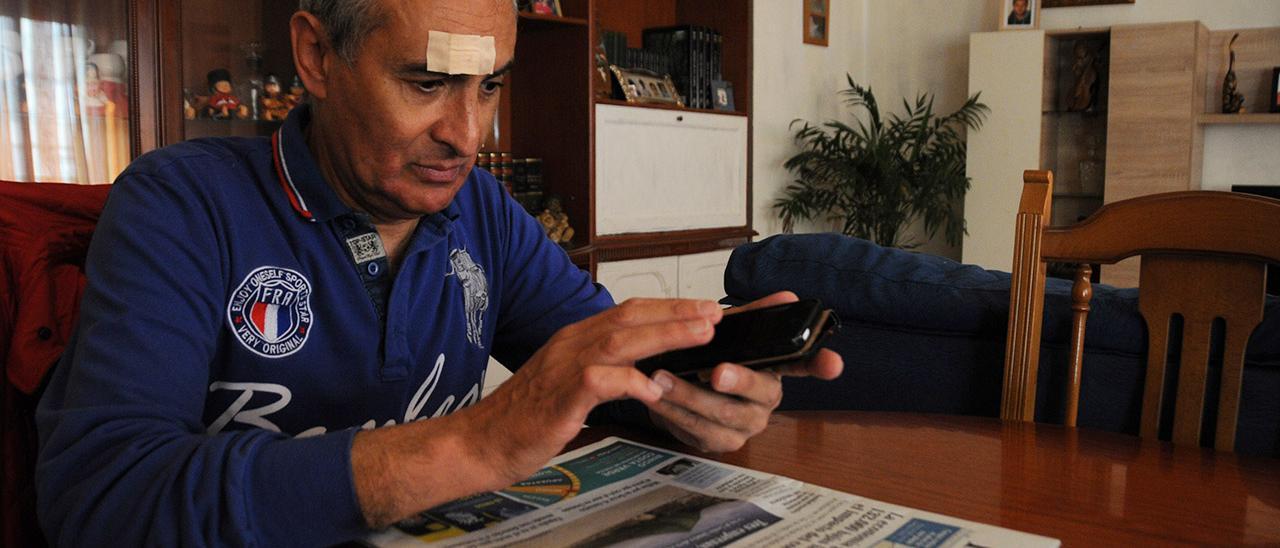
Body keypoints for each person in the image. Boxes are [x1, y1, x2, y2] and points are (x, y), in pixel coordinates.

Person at [34, 0, 843, 546]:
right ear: (316, 55)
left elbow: (592, 375)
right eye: (426, 83)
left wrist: (691, 396)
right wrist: (476, 443)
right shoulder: (180, 203)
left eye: (489, 86)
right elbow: (100, 499)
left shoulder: (481, 210)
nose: (466, 136)